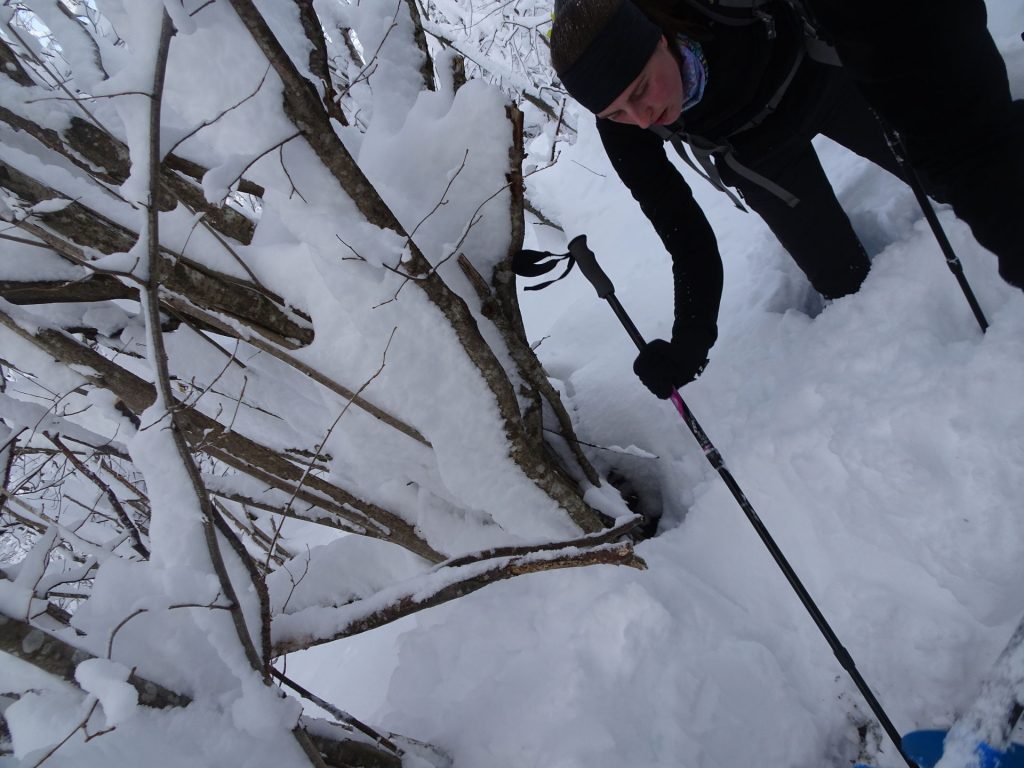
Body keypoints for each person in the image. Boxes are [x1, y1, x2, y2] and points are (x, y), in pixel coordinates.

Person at [548, 0, 1023, 399]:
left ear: (658, 38)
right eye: (617, 113)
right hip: (760, 156)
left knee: (951, 169)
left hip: (821, 73)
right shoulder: (624, 129)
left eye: (640, 90)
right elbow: (683, 231)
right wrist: (689, 342)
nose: (643, 118)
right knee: (847, 286)